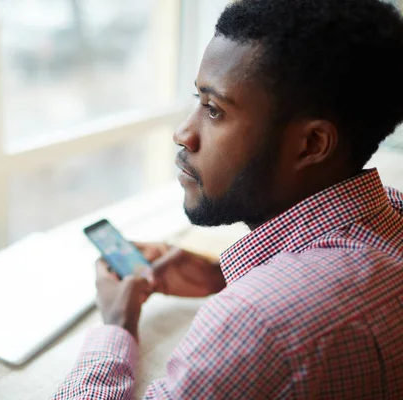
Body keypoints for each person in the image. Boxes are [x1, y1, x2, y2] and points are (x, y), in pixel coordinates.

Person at [53, 0, 403, 398]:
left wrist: (116, 325)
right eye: (196, 99)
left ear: (311, 144)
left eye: (214, 109)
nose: (184, 133)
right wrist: (221, 275)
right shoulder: (393, 212)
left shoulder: (254, 322)